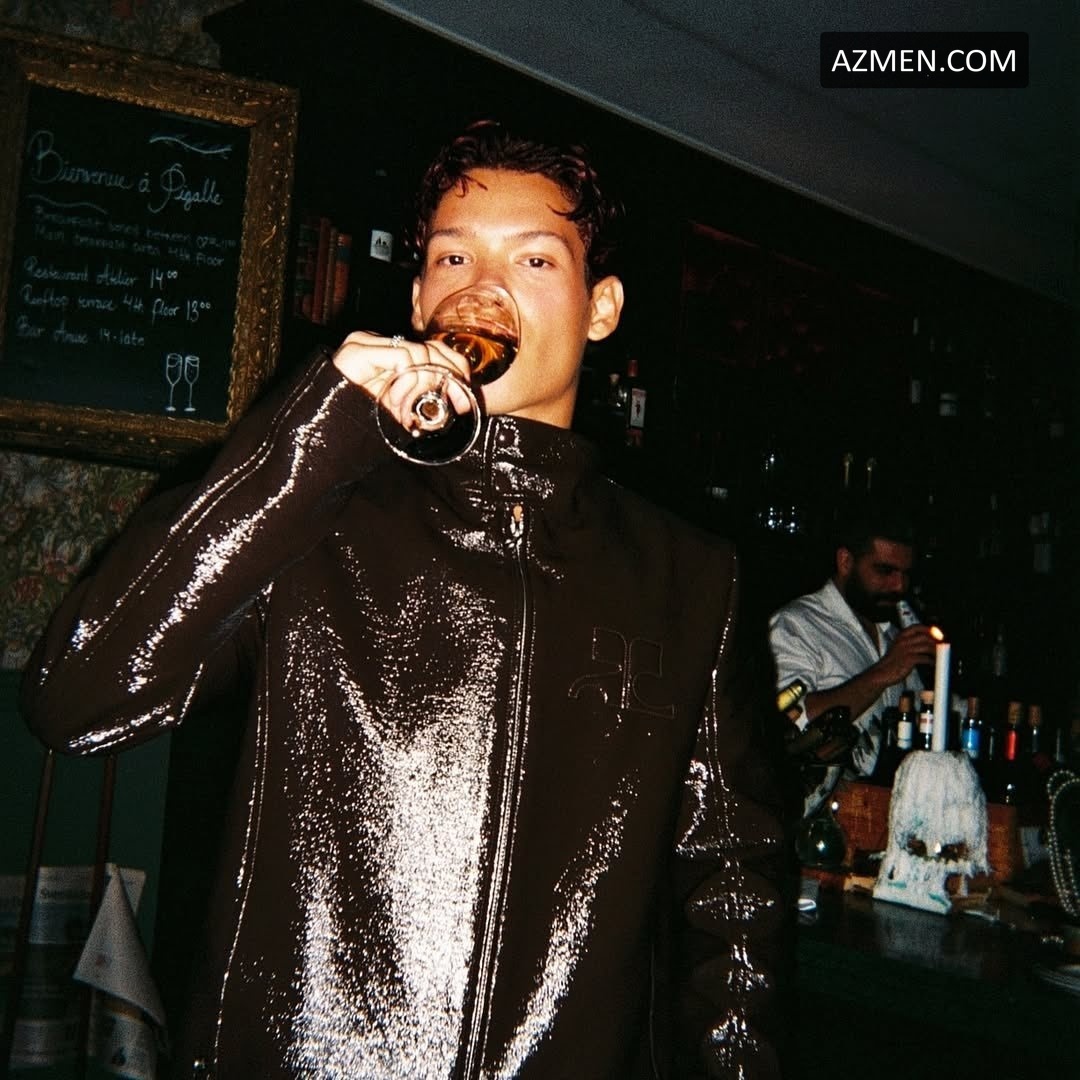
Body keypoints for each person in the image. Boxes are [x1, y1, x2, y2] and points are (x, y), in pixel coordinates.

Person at [21, 120, 786, 1078]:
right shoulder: (312, 515)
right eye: (452, 257)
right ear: (419, 296)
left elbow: (733, 896)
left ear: (601, 308)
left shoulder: (689, 574)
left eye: (534, 258)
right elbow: (76, 700)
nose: (482, 286)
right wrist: (311, 439)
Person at [768, 498, 938, 816]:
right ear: (845, 561)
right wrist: (884, 673)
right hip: (818, 824)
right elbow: (783, 719)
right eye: (885, 570)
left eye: (906, 574)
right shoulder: (796, 625)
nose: (899, 585)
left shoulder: (892, 635)